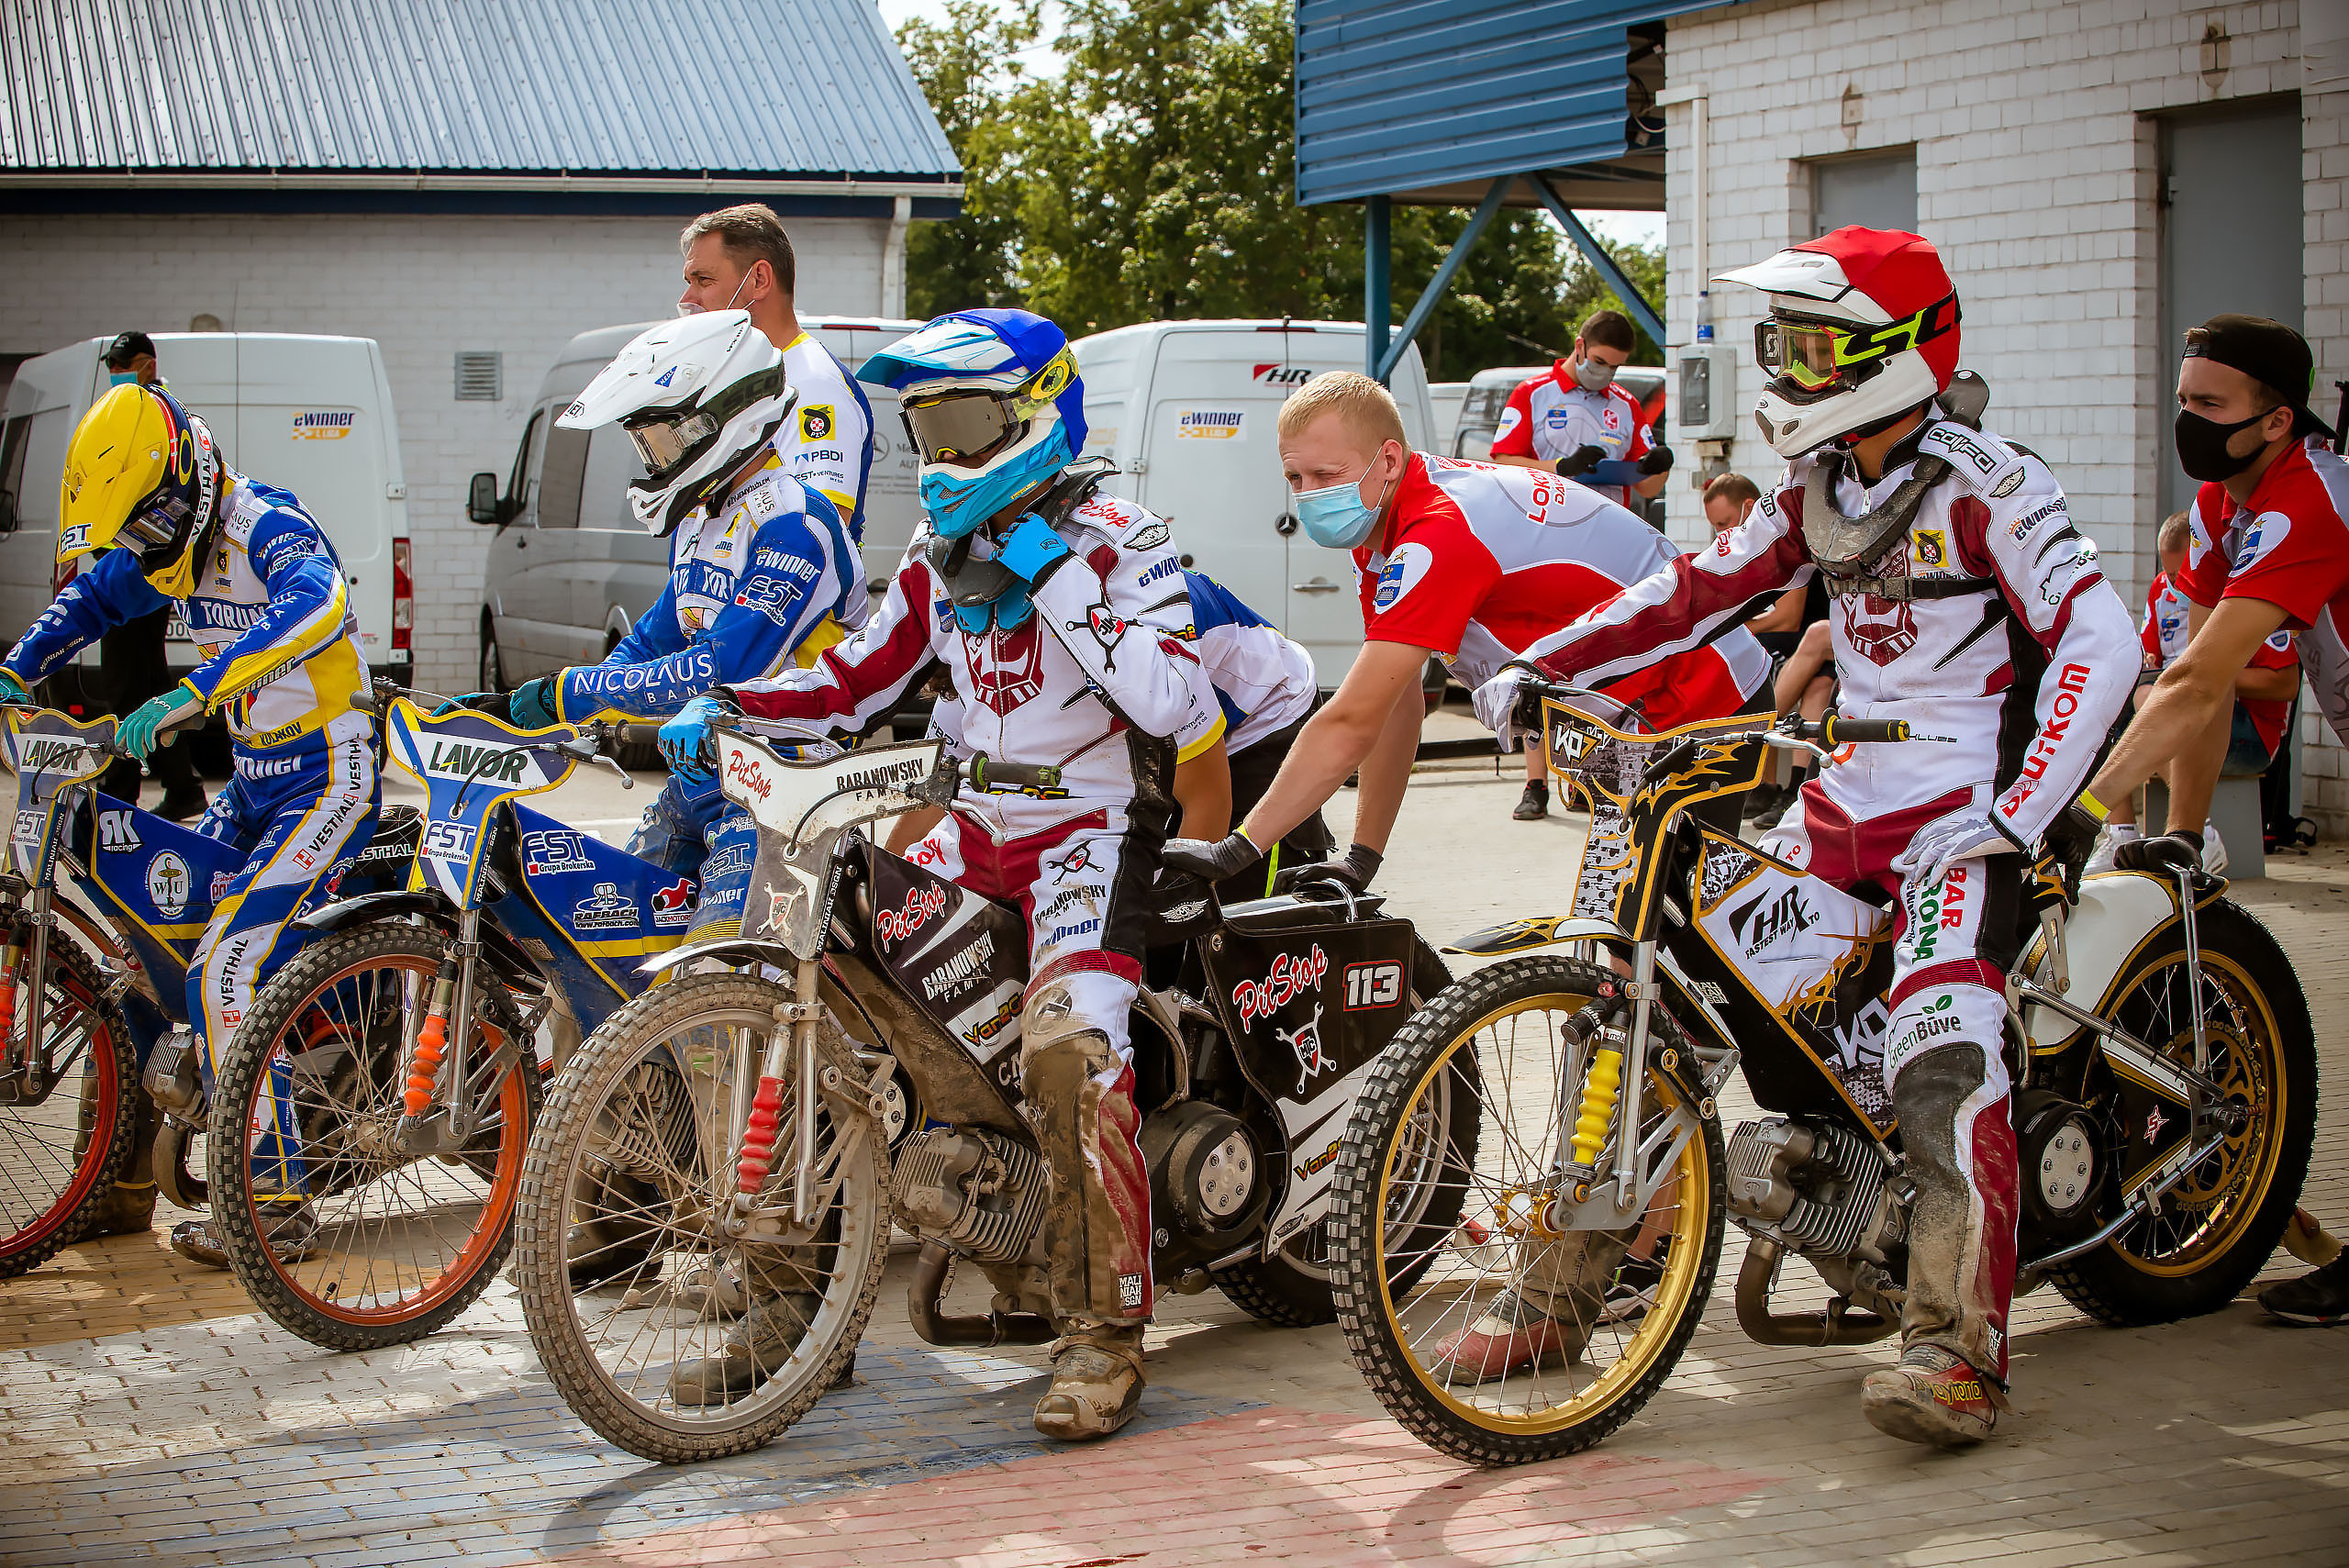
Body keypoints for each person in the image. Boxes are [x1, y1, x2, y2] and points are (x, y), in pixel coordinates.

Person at [1474, 228, 2138, 1446]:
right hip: (1840, 800)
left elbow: (2104, 643)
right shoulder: (1814, 484)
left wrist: (2019, 817)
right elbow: (1685, 594)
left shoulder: (1992, 481)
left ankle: (1956, 1352)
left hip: (1970, 815)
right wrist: (1535, 665)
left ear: (1897, 349)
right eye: (1786, 344)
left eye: (1817, 345)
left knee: (1944, 1043)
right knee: (1667, 997)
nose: (1794, 369)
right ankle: (1568, 1287)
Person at [662, 307, 1211, 1440]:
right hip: (970, 825)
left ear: (1038, 412)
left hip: (1086, 833)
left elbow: (1174, 701)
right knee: (829, 1020)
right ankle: (791, 1310)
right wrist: (734, 706)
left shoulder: (1118, 532)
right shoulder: (929, 554)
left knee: (1071, 1057)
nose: (945, 455)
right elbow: (850, 683)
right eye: (926, 427)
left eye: (967, 424)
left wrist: (1053, 571)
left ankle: (1100, 1336)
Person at [1, 384, 380, 1263]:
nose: (141, 546)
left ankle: (275, 1202)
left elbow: (320, 603)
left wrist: (196, 689)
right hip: (255, 780)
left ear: (185, 484)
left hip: (332, 774)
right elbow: (92, 599)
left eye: (146, 525)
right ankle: (120, 1187)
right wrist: (17, 671)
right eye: (130, 531)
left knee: (226, 963)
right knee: (139, 953)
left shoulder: (265, 524)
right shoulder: (165, 538)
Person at [1159, 371, 1767, 897]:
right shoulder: (1382, 531)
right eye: (1295, 478)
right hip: (1634, 710)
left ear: (1388, 459)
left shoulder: (1437, 534)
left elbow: (1351, 721)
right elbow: (1395, 700)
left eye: (1326, 474)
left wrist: (1239, 847)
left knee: (1668, 928)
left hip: (1702, 691)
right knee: (1624, 928)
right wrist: (1361, 858)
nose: (1311, 495)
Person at [2080, 314, 2349, 1326]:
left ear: (2277, 420)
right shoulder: (2215, 507)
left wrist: (2085, 810)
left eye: (2210, 405)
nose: (2187, 419)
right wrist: (2173, 844)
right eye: (2182, 398)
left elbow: (2204, 675)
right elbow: (2199, 675)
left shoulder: (2307, 498)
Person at [476, 308, 867, 956]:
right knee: (607, 957)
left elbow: (716, 667)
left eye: (661, 442)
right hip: (697, 778)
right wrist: (527, 710)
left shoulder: (798, 523)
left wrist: (569, 694)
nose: (654, 462)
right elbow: (654, 641)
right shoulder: (703, 519)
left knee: (704, 996)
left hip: (780, 790)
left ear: (720, 420)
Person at [887, 567, 1330, 902]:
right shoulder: (973, 660)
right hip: (1168, 715)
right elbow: (933, 794)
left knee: (1223, 908)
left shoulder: (1112, 649)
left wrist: (1166, 921)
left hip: (1261, 714)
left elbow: (1206, 801)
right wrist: (888, 891)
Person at [2086, 508, 2299, 873]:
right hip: (2180, 708)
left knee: (2148, 699)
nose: (2174, 584)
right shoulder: (2161, 590)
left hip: (2248, 733)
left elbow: (2286, 684)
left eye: (2181, 574)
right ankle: (2121, 832)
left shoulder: (2243, 597)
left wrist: (2215, 674)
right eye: (2168, 574)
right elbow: (2149, 655)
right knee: (2100, 713)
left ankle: (2197, 831)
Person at [676, 205, 877, 546]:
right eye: (689, 282)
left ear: (759, 279)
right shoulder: (742, 381)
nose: (688, 298)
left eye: (704, 280)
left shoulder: (812, 385)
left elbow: (814, 537)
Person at [91, 332, 206, 822]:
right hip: (127, 558)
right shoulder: (123, 410)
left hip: (143, 562)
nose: (118, 372)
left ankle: (120, 791)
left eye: (127, 363)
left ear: (149, 364)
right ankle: (183, 786)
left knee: (124, 682)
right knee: (146, 681)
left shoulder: (160, 413)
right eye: (114, 365)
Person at [1488, 309, 1674, 514]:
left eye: (1615, 367)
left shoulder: (1626, 405)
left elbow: (1647, 489)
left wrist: (1660, 468)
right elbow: (1504, 464)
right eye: (1599, 362)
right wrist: (1562, 467)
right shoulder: (1532, 393)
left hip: (1608, 529)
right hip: (1546, 525)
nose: (1605, 372)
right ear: (1580, 346)